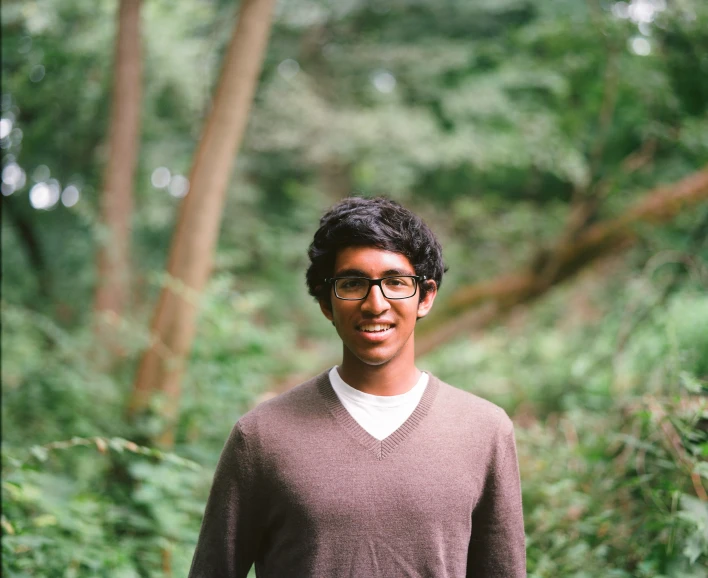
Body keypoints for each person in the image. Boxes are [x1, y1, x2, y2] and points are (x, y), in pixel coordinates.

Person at [188, 196, 526, 577]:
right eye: (353, 283)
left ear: (425, 296)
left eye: (395, 282)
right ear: (326, 303)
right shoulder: (262, 437)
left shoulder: (484, 430)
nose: (375, 303)